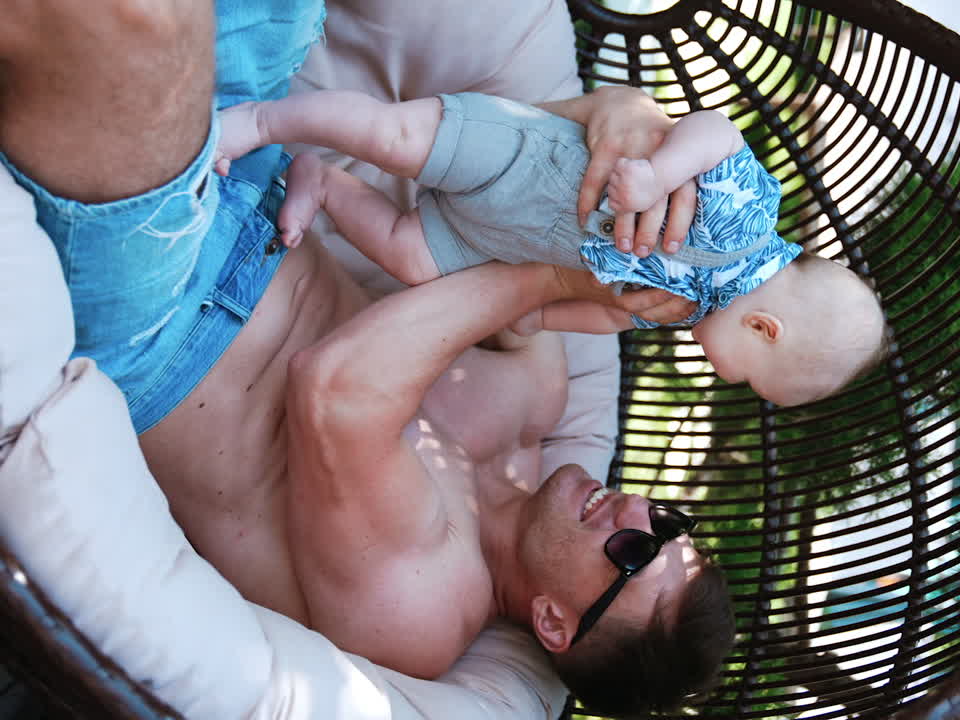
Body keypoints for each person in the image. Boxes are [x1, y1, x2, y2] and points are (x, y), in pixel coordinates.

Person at [0, 0, 735, 715]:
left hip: (163, 311)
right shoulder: (535, 412)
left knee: (133, 17)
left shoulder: (423, 612)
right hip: (254, 169)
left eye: (633, 555)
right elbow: (516, 196)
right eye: (668, 525)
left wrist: (546, 280)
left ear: (554, 622)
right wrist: (617, 122)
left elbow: (334, 388)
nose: (637, 508)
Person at [215, 89, 890, 407]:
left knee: (413, 259)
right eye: (742, 378)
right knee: (392, 137)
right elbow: (717, 134)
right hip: (525, 162)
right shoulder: (746, 226)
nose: (722, 378)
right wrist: (656, 173)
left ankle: (321, 181)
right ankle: (261, 120)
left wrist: (537, 317)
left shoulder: (685, 311)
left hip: (498, 239)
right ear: (764, 329)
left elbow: (610, 314)